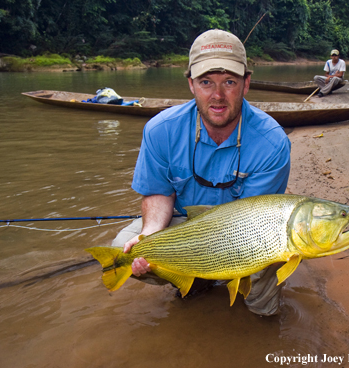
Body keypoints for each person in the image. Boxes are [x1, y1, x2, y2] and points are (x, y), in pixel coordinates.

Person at [111, 29, 291, 316]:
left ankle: (262, 315)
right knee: (124, 248)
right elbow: (159, 192)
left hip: (246, 233)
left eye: (229, 82)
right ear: (191, 84)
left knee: (273, 250)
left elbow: (255, 223)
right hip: (186, 225)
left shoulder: (272, 142)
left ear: (246, 84)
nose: (217, 96)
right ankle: (191, 280)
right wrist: (150, 237)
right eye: (206, 82)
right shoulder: (160, 130)